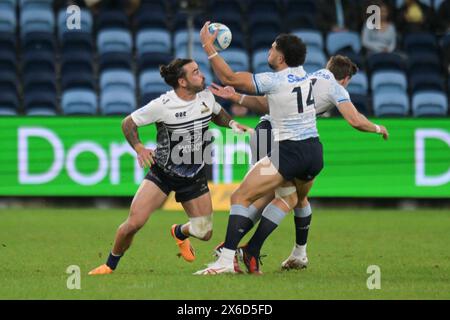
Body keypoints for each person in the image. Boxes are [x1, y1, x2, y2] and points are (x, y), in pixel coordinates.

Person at [209, 55, 389, 271]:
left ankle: (290, 253)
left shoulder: (306, 78)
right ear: (346, 79)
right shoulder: (335, 87)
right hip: (280, 137)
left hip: (266, 134)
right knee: (285, 197)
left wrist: (237, 96)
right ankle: (238, 250)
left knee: (289, 197)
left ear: (328, 67)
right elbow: (355, 120)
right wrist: (378, 128)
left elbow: (267, 104)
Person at [88, 58, 249, 275]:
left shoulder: (206, 97)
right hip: (162, 173)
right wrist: (139, 147)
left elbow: (217, 113)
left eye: (199, 71)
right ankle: (109, 265)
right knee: (134, 223)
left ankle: (180, 232)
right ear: (182, 82)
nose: (201, 76)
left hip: (193, 175)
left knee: (204, 232)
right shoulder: (162, 105)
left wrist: (231, 124)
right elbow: (128, 123)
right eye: (195, 73)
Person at [194, 22, 325, 275]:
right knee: (289, 197)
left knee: (240, 197)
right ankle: (252, 250)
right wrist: (237, 98)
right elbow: (271, 103)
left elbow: (230, 77)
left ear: (281, 56)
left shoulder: (274, 80)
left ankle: (225, 261)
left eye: (273, 48)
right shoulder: (304, 76)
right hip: (314, 152)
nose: (269, 50)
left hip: (290, 152)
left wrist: (208, 46)